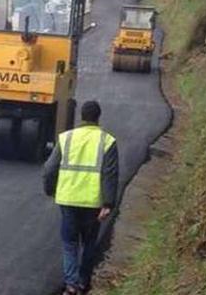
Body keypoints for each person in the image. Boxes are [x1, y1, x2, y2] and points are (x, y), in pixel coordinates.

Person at [43, 100, 119, 295]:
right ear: (98, 118)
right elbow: (110, 174)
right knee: (89, 244)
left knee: (69, 243)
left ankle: (71, 284)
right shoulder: (107, 141)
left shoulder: (66, 138)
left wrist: (50, 190)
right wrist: (108, 203)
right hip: (93, 202)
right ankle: (83, 282)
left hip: (68, 199)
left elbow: (49, 168)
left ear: (82, 117)